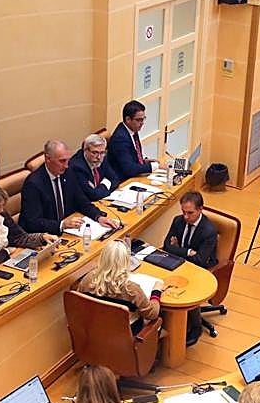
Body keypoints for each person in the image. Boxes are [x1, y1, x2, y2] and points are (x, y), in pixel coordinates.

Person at [20, 139, 119, 235]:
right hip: (45, 235)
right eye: (62, 161)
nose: (66, 165)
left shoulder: (68, 172)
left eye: (67, 160)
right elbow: (33, 222)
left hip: (69, 231)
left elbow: (81, 200)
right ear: (48, 159)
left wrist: (98, 216)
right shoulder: (33, 184)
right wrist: (61, 225)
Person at [162, 191, 219, 344]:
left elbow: (200, 260)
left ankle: (195, 327)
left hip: (201, 269)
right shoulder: (178, 221)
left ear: (200, 209)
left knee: (190, 288)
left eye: (190, 213)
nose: (186, 217)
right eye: (183, 212)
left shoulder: (209, 231)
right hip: (180, 262)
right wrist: (188, 252)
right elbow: (167, 246)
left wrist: (178, 249)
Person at [76, 240, 160, 331]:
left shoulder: (87, 280)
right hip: (126, 336)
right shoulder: (132, 289)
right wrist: (156, 292)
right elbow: (152, 314)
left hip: (94, 331)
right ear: (126, 261)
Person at [108, 100, 156, 179]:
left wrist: (145, 162)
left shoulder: (132, 129)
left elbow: (133, 156)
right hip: (123, 180)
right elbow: (129, 169)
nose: (142, 123)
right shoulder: (120, 139)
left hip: (134, 176)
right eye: (138, 120)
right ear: (128, 119)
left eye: (143, 119)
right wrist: (154, 166)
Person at [69, 133, 121, 202]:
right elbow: (93, 196)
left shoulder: (102, 158)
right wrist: (106, 183)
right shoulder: (77, 167)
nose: (99, 157)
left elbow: (115, 179)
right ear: (85, 150)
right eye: (94, 152)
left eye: (102, 152)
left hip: (101, 201)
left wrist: (102, 186)